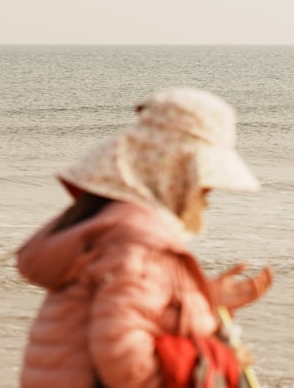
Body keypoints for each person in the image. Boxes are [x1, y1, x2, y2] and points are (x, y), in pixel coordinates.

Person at [15, 88, 273, 388]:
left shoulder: (107, 228)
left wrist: (203, 300)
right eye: (205, 188)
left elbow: (130, 312)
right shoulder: (137, 244)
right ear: (176, 176)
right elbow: (124, 364)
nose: (207, 201)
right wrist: (222, 363)